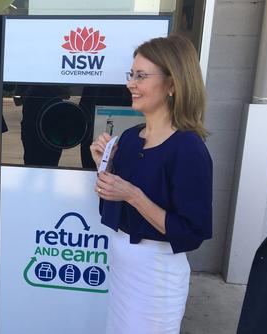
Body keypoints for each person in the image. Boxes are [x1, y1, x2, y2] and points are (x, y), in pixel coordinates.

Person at [89, 35, 213, 334]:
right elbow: (112, 205)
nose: (131, 83)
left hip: (157, 275)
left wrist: (131, 195)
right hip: (123, 265)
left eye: (141, 76)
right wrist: (103, 168)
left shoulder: (188, 148)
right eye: (131, 75)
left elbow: (190, 232)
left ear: (173, 84)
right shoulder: (130, 139)